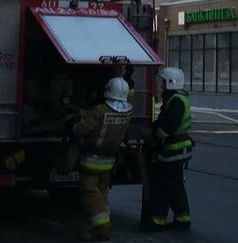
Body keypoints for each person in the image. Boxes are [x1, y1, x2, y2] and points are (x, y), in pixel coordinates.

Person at [71, 77, 133, 241]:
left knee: (89, 192)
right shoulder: (128, 111)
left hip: (92, 159)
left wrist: (76, 126)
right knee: (101, 191)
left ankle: (102, 227)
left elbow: (82, 129)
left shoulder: (99, 110)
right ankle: (99, 224)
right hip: (109, 160)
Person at [144, 67, 192, 232]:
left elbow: (168, 127)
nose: (160, 85)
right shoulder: (176, 98)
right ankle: (183, 218)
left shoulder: (176, 100)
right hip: (177, 150)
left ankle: (157, 222)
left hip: (172, 151)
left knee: (162, 186)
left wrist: (155, 135)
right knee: (176, 186)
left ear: (170, 83)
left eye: (162, 82)